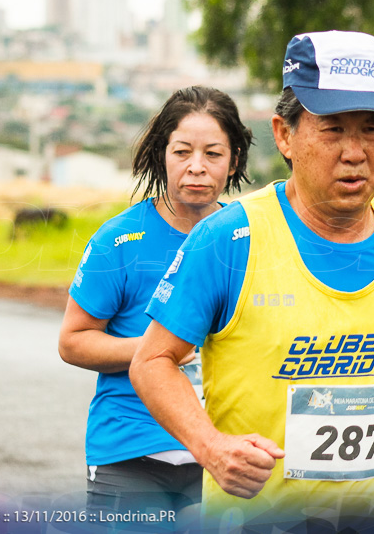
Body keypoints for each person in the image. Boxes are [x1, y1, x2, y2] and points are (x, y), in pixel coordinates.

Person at [129, 31, 374, 530]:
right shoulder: (230, 240)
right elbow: (152, 362)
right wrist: (211, 448)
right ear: (284, 135)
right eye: (332, 129)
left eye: (373, 128)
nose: (355, 152)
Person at [58, 86, 254, 523]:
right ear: (162, 155)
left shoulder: (252, 239)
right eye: (182, 151)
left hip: (227, 454)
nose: (196, 167)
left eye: (214, 154)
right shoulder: (119, 240)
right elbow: (72, 342)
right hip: (130, 452)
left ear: (235, 160)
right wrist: (160, 349)